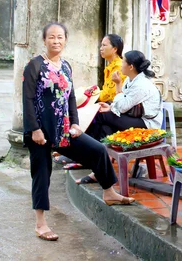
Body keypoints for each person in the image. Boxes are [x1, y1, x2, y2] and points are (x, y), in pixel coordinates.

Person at [23, 22, 135, 241]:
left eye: (60, 37)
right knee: (42, 173)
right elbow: (27, 99)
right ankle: (40, 223)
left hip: (63, 129)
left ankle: (109, 191)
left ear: (65, 40)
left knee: (97, 150)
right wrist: (34, 129)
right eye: (52, 37)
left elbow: (71, 97)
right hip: (41, 131)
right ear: (44, 40)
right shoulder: (34, 65)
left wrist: (75, 123)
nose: (56, 41)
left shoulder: (66, 66)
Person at [77, 50, 163, 184]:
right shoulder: (131, 79)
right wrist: (111, 107)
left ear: (131, 67)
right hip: (134, 117)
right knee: (105, 125)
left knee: (100, 117)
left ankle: (88, 156)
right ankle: (99, 168)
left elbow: (122, 106)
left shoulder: (141, 85)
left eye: (123, 62)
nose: (121, 65)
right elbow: (123, 103)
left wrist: (117, 85)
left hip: (147, 124)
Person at [97, 34, 126, 103]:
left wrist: (91, 95)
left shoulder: (119, 67)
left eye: (104, 45)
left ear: (115, 49)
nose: (101, 48)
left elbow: (108, 95)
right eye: (101, 45)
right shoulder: (110, 66)